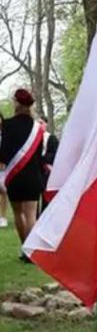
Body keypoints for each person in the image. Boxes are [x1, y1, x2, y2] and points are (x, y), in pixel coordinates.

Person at [0, 89, 49, 260]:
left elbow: (3, 152)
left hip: (14, 176)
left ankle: (25, 249)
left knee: (18, 213)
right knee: (30, 214)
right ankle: (32, 252)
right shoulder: (38, 128)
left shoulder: (7, 125)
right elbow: (40, 154)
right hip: (33, 175)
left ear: (17, 103)